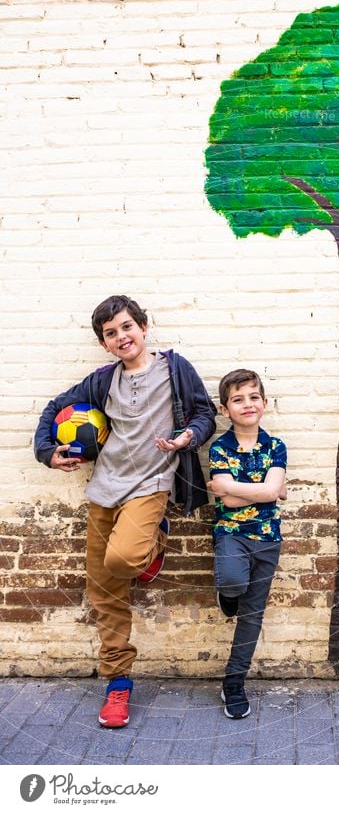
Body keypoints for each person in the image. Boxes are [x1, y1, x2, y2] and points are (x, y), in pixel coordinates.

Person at [34, 295, 216, 728]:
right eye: (111, 333)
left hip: (152, 485)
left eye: (127, 327)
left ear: (144, 326)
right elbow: (52, 410)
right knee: (104, 592)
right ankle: (117, 684)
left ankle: (156, 538)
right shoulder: (101, 381)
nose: (121, 337)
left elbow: (205, 413)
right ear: (104, 343)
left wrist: (188, 436)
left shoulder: (174, 367)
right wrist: (48, 451)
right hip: (104, 489)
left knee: (124, 559)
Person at [207, 369, 287, 719]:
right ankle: (227, 596)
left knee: (252, 616)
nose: (247, 404)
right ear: (225, 409)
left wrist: (230, 489)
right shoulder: (220, 447)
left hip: (268, 538)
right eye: (238, 399)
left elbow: (256, 492)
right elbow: (263, 493)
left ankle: (234, 682)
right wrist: (267, 491)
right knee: (233, 582)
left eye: (253, 397)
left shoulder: (276, 446)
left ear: (264, 403)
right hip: (231, 534)